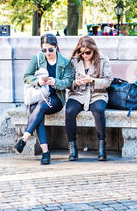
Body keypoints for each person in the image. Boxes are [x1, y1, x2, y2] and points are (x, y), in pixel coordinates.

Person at [15, 33, 73, 165]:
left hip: (56, 98)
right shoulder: (37, 59)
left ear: (56, 47)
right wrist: (37, 81)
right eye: (44, 50)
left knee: (40, 107)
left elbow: (69, 82)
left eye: (50, 49)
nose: (48, 53)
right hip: (38, 95)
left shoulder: (65, 62)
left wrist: (56, 82)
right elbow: (26, 77)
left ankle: (24, 138)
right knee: (37, 109)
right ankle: (45, 153)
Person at [65, 35, 113, 161]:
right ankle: (72, 147)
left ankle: (102, 146)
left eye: (88, 52)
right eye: (82, 52)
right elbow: (68, 81)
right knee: (69, 111)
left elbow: (108, 81)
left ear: (93, 49)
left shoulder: (103, 59)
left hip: (97, 93)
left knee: (98, 110)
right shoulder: (74, 61)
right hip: (78, 94)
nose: (85, 55)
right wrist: (75, 83)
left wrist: (92, 80)